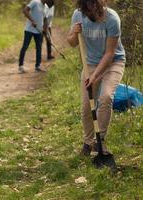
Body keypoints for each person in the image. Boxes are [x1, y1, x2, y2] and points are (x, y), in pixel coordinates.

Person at [67, 0, 125, 156]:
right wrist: (74, 32)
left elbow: (110, 53)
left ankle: (100, 142)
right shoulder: (78, 15)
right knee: (87, 106)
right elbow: (72, 43)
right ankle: (88, 142)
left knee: (105, 97)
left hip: (113, 63)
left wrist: (95, 76)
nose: (90, 10)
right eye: (87, 7)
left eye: (93, 6)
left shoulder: (112, 18)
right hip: (90, 64)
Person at [18, 0, 48, 74]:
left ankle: (38, 66)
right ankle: (20, 66)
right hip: (29, 30)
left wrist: (45, 30)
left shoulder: (46, 7)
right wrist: (32, 21)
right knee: (25, 46)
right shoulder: (35, 2)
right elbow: (25, 10)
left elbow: (45, 19)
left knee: (39, 48)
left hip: (39, 31)